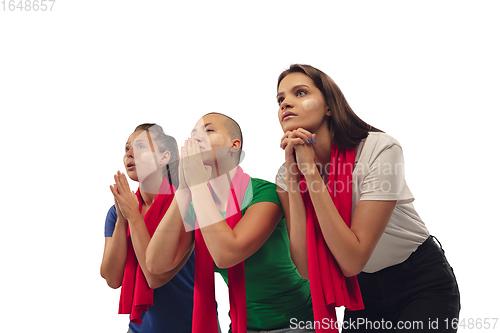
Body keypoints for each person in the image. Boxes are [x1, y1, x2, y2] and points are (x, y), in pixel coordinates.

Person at [275, 64, 460, 332]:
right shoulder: (286, 175)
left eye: (300, 92)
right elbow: (305, 267)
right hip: (363, 293)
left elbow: (353, 259)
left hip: (419, 280)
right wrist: (295, 176)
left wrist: (310, 173)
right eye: (280, 99)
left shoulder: (379, 149)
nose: (285, 103)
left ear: (329, 105)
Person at [146, 113, 314, 333]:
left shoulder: (265, 193)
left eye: (208, 130)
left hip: (296, 323)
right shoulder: (199, 203)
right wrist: (184, 190)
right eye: (193, 134)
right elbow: (156, 265)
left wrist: (197, 184)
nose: (196, 138)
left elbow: (227, 253)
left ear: (234, 146)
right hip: (242, 326)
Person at [100, 123, 195, 333]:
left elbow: (155, 276)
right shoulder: (117, 212)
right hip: (140, 329)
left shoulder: (184, 205)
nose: (129, 154)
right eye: (126, 148)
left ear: (164, 158)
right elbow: (112, 278)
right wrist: (123, 219)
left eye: (140, 146)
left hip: (190, 326)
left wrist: (133, 217)